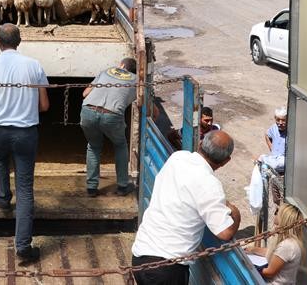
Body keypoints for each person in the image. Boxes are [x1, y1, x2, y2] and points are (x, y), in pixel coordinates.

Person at [0, 24, 49, 265]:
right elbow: (44, 106)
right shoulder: (34, 66)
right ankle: (23, 246)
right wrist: (24, 108)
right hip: (26, 133)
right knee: (25, 189)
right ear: (19, 42)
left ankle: (3, 196)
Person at [131, 131, 241, 284]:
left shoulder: (177, 157)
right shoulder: (210, 184)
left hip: (140, 255)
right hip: (167, 268)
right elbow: (225, 232)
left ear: (200, 144)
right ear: (225, 161)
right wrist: (235, 213)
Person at [80, 57, 138, 197]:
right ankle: (123, 186)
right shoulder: (136, 80)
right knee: (120, 145)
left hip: (88, 111)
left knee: (93, 146)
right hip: (112, 115)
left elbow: (85, 93)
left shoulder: (106, 71)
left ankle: (92, 188)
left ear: (122, 65)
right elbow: (143, 101)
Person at [246, 204, 304, 284]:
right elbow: (274, 254)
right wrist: (253, 249)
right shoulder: (283, 237)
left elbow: (270, 273)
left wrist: (251, 268)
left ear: (283, 218)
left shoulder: (287, 245)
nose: (274, 214)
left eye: (277, 212)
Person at [259, 106, 287, 173]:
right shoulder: (274, 128)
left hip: (283, 160)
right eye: (278, 120)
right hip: (274, 158)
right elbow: (267, 135)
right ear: (275, 119)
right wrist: (271, 147)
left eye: (283, 120)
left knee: (280, 162)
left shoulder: (291, 132)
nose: (280, 123)